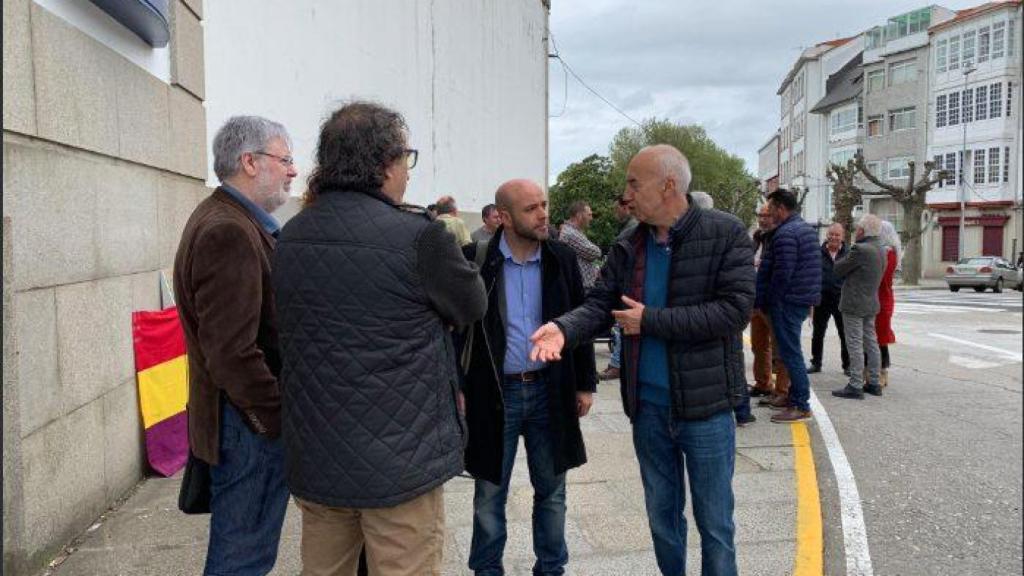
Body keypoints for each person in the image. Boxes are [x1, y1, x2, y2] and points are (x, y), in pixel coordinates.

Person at [272, 101, 487, 575]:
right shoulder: (421, 237)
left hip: (319, 455)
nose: (406, 174)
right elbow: (473, 305)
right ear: (384, 163)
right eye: (404, 159)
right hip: (401, 463)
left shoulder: (290, 236)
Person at [530, 144, 754, 576]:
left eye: (634, 183)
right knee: (663, 521)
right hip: (648, 409)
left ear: (669, 185)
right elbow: (599, 303)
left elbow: (734, 311)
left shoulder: (724, 232)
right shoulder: (629, 242)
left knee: (716, 525)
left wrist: (650, 321)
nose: (626, 193)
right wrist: (563, 328)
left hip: (705, 410)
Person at [173, 115, 297, 575]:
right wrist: (275, 419)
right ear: (250, 161)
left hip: (241, 421)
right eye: (285, 159)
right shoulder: (230, 230)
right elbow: (232, 353)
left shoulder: (232, 220)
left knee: (244, 554)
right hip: (247, 427)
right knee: (242, 559)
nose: (293, 171)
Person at [461, 179, 597, 576]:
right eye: (531, 208)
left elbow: (580, 321)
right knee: (488, 492)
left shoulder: (561, 258)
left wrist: (585, 383)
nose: (542, 215)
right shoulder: (475, 259)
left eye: (544, 205)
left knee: (552, 493)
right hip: (494, 394)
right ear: (502, 217)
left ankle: (551, 569)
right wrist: (459, 386)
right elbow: (457, 330)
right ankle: (487, 570)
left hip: (548, 391)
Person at [758, 188, 821, 424]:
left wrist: (768, 300)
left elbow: (782, 274)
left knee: (790, 353)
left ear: (781, 209)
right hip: (800, 300)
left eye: (771, 208)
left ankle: (800, 404)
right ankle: (794, 398)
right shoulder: (805, 230)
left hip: (787, 302)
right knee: (791, 351)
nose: (769, 212)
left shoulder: (785, 234)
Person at [831, 214, 886, 399]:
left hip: (854, 303)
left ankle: (855, 384)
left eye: (857, 229)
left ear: (862, 231)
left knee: (854, 343)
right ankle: (874, 382)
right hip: (871, 301)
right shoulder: (881, 249)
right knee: (871, 342)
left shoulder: (860, 249)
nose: (856, 232)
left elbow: (838, 269)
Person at [749, 205, 791, 410]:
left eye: (767, 215)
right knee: (758, 346)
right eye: (760, 215)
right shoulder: (757, 238)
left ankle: (782, 391)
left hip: (773, 302)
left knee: (780, 348)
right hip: (755, 299)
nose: (763, 219)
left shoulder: (780, 238)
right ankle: (763, 384)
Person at [598, 197, 636, 381]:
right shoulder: (631, 227)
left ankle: (617, 365)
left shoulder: (631, 230)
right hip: (626, 289)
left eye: (617, 209)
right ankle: (617, 364)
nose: (616, 214)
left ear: (626, 207)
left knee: (621, 326)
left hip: (627, 291)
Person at [808, 223, 850, 375]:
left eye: (837, 235)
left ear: (842, 237)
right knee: (818, 333)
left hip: (841, 300)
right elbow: (811, 276)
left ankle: (847, 365)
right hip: (821, 299)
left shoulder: (849, 253)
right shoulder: (817, 252)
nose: (833, 237)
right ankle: (816, 363)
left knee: (844, 334)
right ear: (827, 235)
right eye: (831, 234)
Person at [875, 220, 900, 388]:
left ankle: (882, 370)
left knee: (880, 337)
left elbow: (881, 278)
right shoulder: (886, 252)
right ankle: (875, 370)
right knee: (874, 336)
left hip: (881, 298)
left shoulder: (888, 254)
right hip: (880, 297)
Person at [559, 200, 602, 289]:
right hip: (581, 289)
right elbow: (595, 253)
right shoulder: (571, 234)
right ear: (579, 216)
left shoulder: (574, 232)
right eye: (589, 215)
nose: (591, 218)